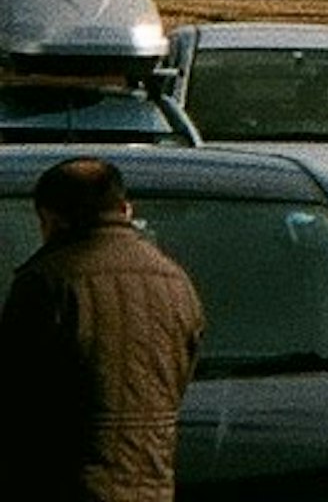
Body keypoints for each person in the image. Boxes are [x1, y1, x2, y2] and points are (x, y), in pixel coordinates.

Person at [0, 156, 206, 502]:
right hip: (151, 482)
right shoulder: (175, 280)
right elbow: (180, 375)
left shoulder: (47, 282)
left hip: (61, 482)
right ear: (125, 209)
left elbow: (17, 393)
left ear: (50, 219)